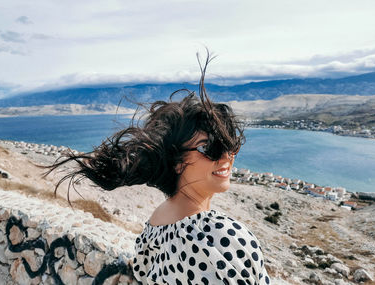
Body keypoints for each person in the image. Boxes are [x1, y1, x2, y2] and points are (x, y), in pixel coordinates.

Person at [47, 53, 270, 285]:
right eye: (210, 148)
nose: (227, 156)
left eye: (231, 145)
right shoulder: (223, 237)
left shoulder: (155, 226)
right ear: (177, 161)